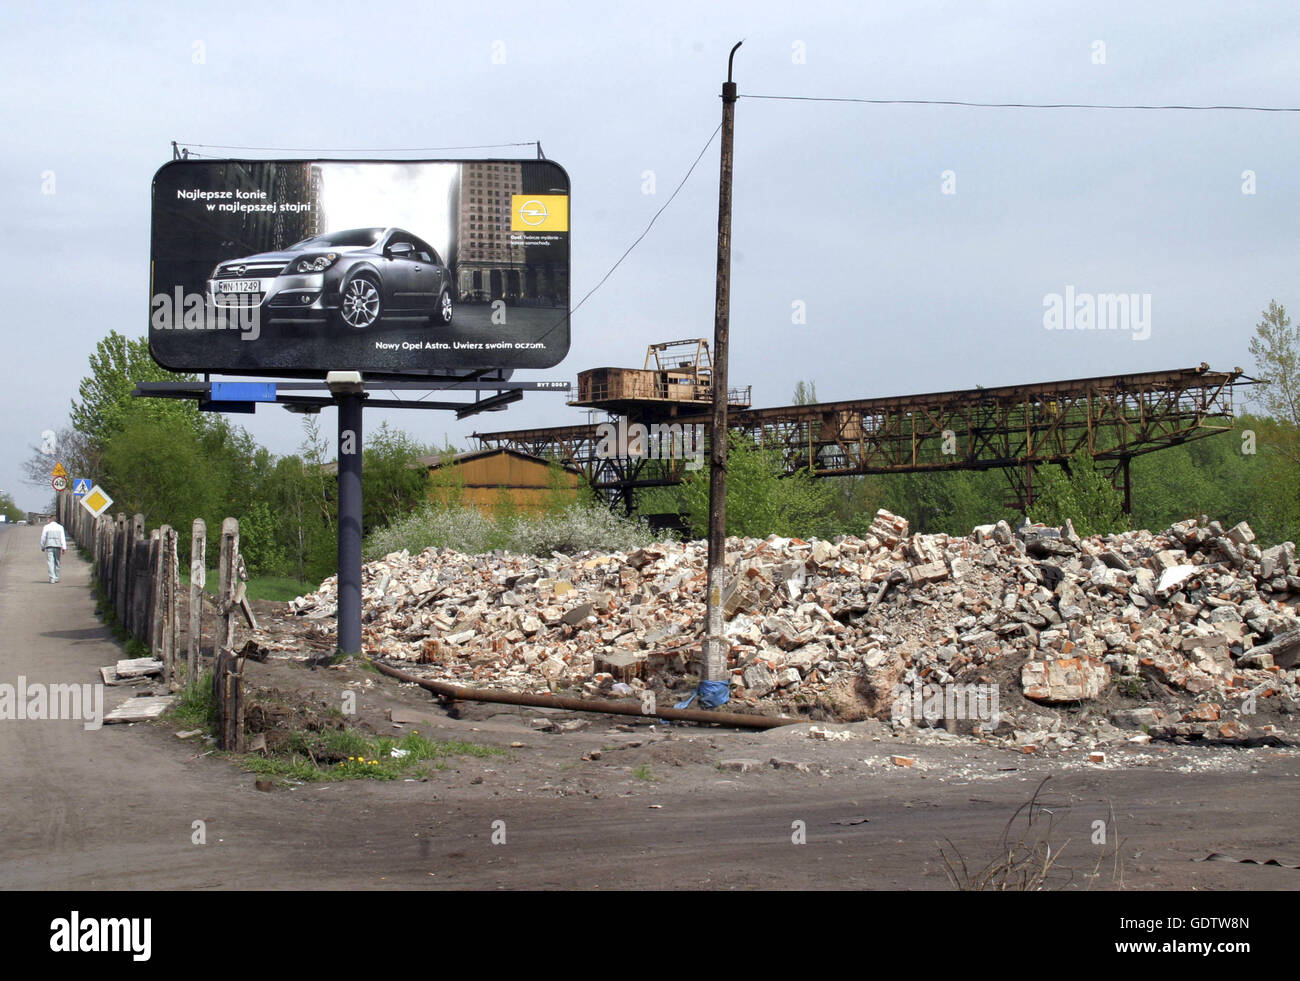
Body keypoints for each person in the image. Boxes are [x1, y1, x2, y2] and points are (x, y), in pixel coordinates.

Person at [40, 515, 67, 583]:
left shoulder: (46, 527)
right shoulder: (60, 527)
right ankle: (56, 577)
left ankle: (52, 578)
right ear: (55, 519)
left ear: (50, 519)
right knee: (57, 562)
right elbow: (62, 538)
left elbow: (43, 537)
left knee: (50, 562)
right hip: (57, 546)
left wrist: (42, 546)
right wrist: (64, 547)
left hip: (49, 546)